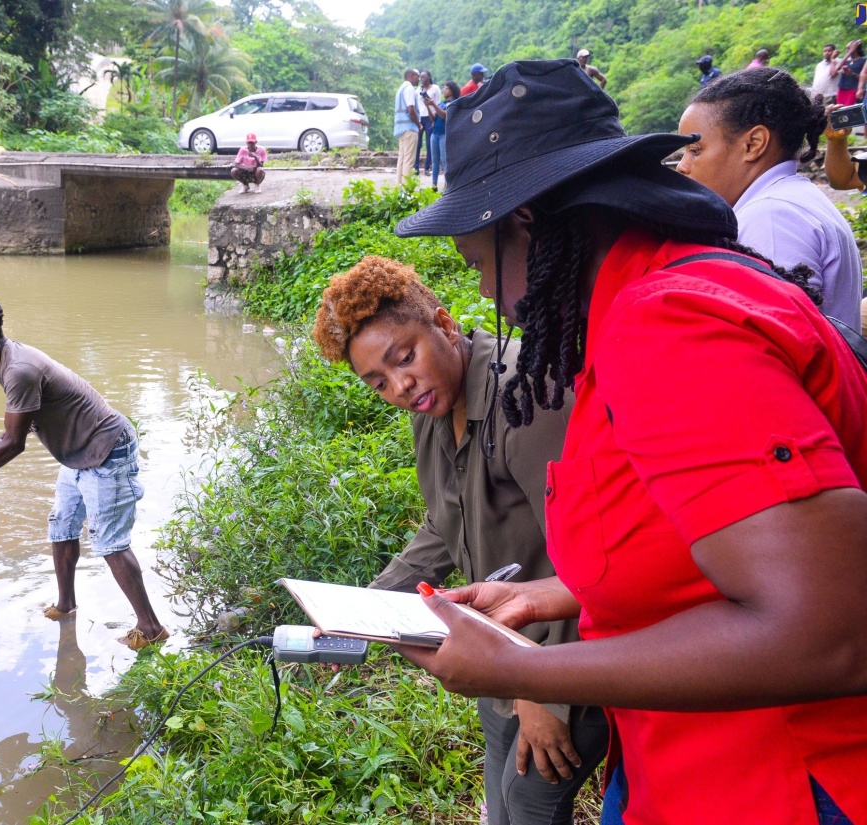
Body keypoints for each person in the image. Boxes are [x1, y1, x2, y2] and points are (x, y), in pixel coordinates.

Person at [391, 58, 867, 825]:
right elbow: (710, 535)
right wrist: (555, 593)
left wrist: (526, 669)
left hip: (771, 782)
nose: (483, 292)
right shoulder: (643, 311)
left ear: (527, 228)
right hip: (674, 764)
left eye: (479, 264)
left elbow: (827, 627)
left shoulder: (670, 329)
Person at [312, 256, 609, 825]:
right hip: (500, 653)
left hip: (569, 658)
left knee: (529, 806)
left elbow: (589, 561)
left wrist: (538, 688)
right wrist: (368, 606)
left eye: (405, 359)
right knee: (500, 805)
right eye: (378, 382)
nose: (400, 386)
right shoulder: (433, 406)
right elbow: (443, 527)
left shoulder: (526, 398)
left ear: (444, 326)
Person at [0, 292, 169, 651]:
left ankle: (152, 629)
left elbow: (15, 445)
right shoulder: (6, 363)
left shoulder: (19, 370)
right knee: (61, 524)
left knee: (109, 542)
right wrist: (3, 438)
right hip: (76, 453)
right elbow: (19, 428)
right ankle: (66, 605)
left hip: (106, 449)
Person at [677, 67, 863, 327]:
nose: (681, 166)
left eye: (695, 150)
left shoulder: (772, 219)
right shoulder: (791, 198)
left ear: (754, 144)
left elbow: (774, 344)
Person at [424, 80, 459, 191]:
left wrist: (433, 104)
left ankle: (447, 185)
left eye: (446, 88)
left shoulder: (453, 103)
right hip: (435, 133)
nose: (444, 90)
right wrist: (428, 107)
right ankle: (434, 185)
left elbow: (444, 115)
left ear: (452, 90)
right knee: (435, 161)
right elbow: (433, 118)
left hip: (444, 134)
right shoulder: (441, 103)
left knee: (444, 160)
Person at [394, 68, 421, 184]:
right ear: (410, 76)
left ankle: (399, 188)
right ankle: (407, 190)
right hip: (410, 128)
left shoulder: (401, 88)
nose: (419, 79)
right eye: (417, 76)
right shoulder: (409, 88)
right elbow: (411, 110)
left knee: (402, 159)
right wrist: (419, 124)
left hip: (401, 129)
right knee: (409, 161)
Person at [416, 71, 437, 175]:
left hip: (430, 117)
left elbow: (436, 103)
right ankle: (415, 167)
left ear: (429, 77)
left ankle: (427, 167)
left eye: (424, 77)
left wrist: (435, 119)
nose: (422, 79)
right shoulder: (418, 90)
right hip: (420, 118)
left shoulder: (435, 88)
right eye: (420, 77)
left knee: (429, 143)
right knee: (418, 143)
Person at [834, 39, 865, 106]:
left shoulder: (863, 60)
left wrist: (852, 74)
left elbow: (864, 77)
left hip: (853, 90)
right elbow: (837, 68)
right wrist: (849, 52)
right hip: (842, 89)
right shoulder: (846, 60)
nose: (847, 50)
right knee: (840, 110)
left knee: (848, 111)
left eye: (849, 48)